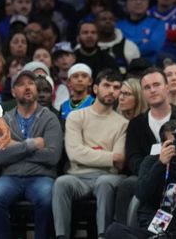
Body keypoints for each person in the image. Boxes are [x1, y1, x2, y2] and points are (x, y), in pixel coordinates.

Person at [104, 120, 176, 239]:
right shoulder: (150, 162)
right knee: (114, 230)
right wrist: (160, 165)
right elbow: (141, 193)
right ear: (163, 145)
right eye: (175, 143)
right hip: (150, 230)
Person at [53, 69, 128, 239]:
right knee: (61, 182)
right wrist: (108, 156)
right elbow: (74, 154)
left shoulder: (123, 123)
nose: (111, 91)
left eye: (116, 87)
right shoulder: (75, 117)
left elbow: (120, 160)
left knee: (104, 182)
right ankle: (61, 236)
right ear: (95, 89)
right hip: (77, 177)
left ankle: (104, 236)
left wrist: (88, 154)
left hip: (108, 176)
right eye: (106, 85)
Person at [0, 69, 63, 239]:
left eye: (31, 83)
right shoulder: (4, 120)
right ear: (13, 91)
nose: (27, 87)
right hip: (10, 177)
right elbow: (0, 156)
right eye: (21, 84)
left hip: (41, 177)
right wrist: (32, 144)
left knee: (47, 200)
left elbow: (52, 156)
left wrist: (15, 148)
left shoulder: (49, 118)